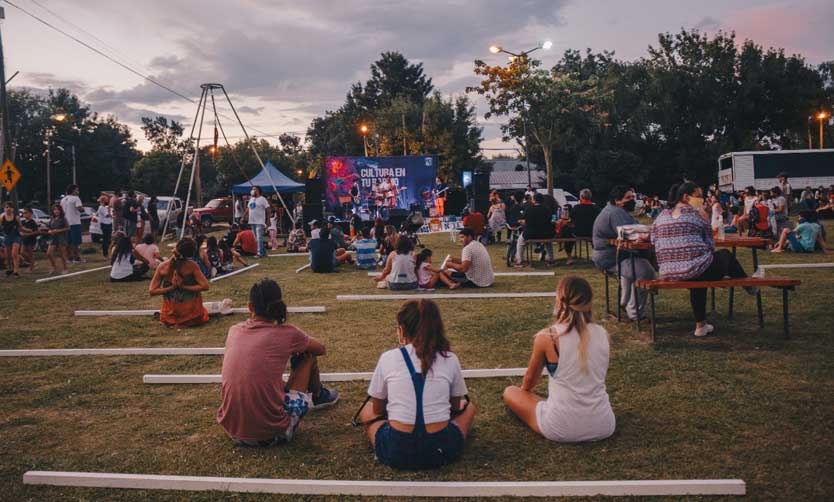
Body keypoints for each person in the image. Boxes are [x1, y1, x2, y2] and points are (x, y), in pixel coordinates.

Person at [216, 278, 339, 446]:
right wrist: (298, 347)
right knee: (308, 357)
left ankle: (315, 396)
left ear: (250, 307)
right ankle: (318, 396)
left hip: (232, 430)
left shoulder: (234, 330)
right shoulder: (288, 333)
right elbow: (320, 349)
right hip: (272, 434)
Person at [355, 299, 475, 469]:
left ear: (401, 330)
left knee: (367, 410)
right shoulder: (450, 358)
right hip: (442, 450)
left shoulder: (388, 357)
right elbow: (455, 407)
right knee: (468, 407)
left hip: (397, 451)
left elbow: (377, 410)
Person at [502, 276, 615, 442]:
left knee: (510, 392)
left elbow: (530, 381)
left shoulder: (547, 337)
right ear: (589, 303)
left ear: (559, 301)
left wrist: (525, 394)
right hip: (604, 424)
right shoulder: (603, 334)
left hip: (560, 427)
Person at [652, 182, 756, 337]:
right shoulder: (696, 215)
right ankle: (748, 285)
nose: (702, 199)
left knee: (697, 275)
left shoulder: (661, 216)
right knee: (724, 255)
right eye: (699, 196)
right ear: (686, 197)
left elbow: (653, 239)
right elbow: (710, 245)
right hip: (693, 269)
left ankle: (701, 326)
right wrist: (705, 216)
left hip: (669, 272)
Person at [591, 186, 655, 321]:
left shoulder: (615, 210)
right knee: (645, 272)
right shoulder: (616, 213)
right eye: (628, 198)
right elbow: (631, 233)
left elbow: (635, 227)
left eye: (633, 197)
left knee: (638, 266)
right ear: (617, 200)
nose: (632, 200)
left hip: (612, 255)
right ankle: (634, 313)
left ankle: (625, 301)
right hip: (611, 258)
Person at [149, 237, 210, 327]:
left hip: (169, 316)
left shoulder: (162, 267)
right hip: (192, 316)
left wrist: (171, 288)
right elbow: (205, 286)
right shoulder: (192, 266)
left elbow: (152, 291)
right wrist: (184, 287)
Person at [515, 193, 555, 267]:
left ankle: (519, 261)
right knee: (548, 243)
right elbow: (551, 220)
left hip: (531, 233)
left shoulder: (529, 209)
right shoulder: (547, 209)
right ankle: (551, 260)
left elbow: (524, 220)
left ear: (534, 200)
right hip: (545, 233)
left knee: (520, 241)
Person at [60, 184, 84, 263]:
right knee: (76, 242)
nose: (78, 191)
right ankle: (76, 258)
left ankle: (68, 258)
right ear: (73, 190)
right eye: (77, 189)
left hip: (66, 223)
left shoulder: (63, 199)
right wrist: (83, 209)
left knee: (68, 242)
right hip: (75, 222)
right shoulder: (76, 198)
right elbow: (80, 208)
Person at [245, 186, 270, 257]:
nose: (252, 190)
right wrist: (243, 217)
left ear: (258, 191)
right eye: (252, 189)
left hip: (260, 221)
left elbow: (268, 209)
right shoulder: (251, 199)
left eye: (254, 189)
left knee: (259, 237)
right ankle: (263, 252)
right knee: (256, 238)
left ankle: (259, 253)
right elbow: (248, 208)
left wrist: (268, 220)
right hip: (252, 221)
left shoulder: (262, 199)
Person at [46, 204, 70, 275]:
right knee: (48, 253)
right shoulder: (52, 219)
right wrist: (50, 231)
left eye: (57, 209)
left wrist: (58, 230)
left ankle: (65, 268)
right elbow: (50, 227)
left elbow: (68, 228)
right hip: (53, 238)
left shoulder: (63, 219)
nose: (56, 211)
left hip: (61, 238)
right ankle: (54, 266)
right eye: (54, 209)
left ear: (60, 210)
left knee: (62, 254)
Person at [1, 202, 22, 276]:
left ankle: (16, 271)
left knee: (14, 254)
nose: (8, 208)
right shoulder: (2, 216)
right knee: (8, 255)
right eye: (6, 207)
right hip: (7, 237)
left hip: (15, 236)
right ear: (4, 209)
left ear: (13, 209)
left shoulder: (16, 217)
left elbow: (20, 227)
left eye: (10, 207)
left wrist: (27, 231)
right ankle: (10, 268)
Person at [19, 207, 39, 273]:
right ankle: (32, 262)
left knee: (30, 253)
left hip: (31, 239)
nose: (24, 214)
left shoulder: (32, 222)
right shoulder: (22, 222)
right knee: (22, 252)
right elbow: (20, 229)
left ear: (30, 213)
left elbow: (36, 231)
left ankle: (31, 268)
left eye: (26, 213)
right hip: (24, 239)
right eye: (23, 213)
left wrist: (28, 234)